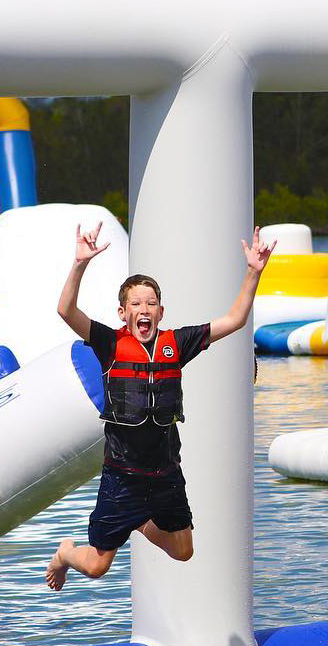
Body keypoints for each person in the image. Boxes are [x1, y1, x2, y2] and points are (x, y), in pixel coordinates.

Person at [45, 222, 274, 590]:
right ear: (123, 313)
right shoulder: (109, 343)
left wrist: (253, 271)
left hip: (165, 472)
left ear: (161, 311)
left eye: (150, 303)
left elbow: (235, 319)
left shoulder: (177, 344)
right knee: (97, 566)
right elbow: (65, 310)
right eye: (136, 303)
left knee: (184, 550)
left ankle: (140, 520)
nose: (144, 308)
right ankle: (65, 553)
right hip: (122, 477)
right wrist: (80, 263)